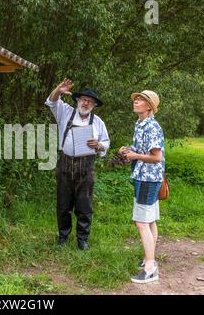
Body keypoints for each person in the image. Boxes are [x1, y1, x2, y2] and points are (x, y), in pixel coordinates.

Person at [45, 79, 110, 250]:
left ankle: (83, 240)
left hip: (86, 167)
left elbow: (106, 143)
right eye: (83, 99)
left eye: (90, 101)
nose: (86, 102)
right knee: (63, 204)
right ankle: (63, 238)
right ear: (77, 100)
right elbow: (51, 101)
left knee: (84, 205)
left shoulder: (98, 122)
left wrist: (99, 145)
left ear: (94, 105)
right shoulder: (65, 112)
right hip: (65, 164)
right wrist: (58, 90)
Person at [119, 90, 165, 284]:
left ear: (149, 107)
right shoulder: (140, 124)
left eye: (140, 100)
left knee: (141, 222)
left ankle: (150, 268)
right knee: (151, 219)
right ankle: (149, 259)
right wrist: (129, 150)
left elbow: (156, 157)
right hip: (143, 177)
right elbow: (143, 150)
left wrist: (135, 156)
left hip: (148, 178)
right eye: (136, 99)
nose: (136, 102)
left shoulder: (152, 127)